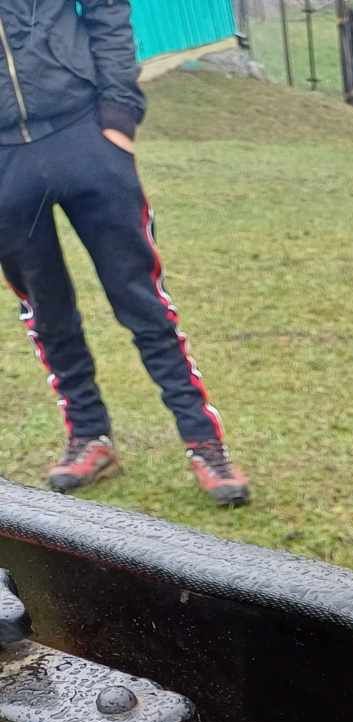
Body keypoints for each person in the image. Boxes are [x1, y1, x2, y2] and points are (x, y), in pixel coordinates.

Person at [0, 0, 250, 504]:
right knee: (45, 309)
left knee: (141, 299)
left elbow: (107, 8)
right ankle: (89, 436)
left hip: (84, 135)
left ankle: (204, 443)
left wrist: (119, 111)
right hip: (5, 164)